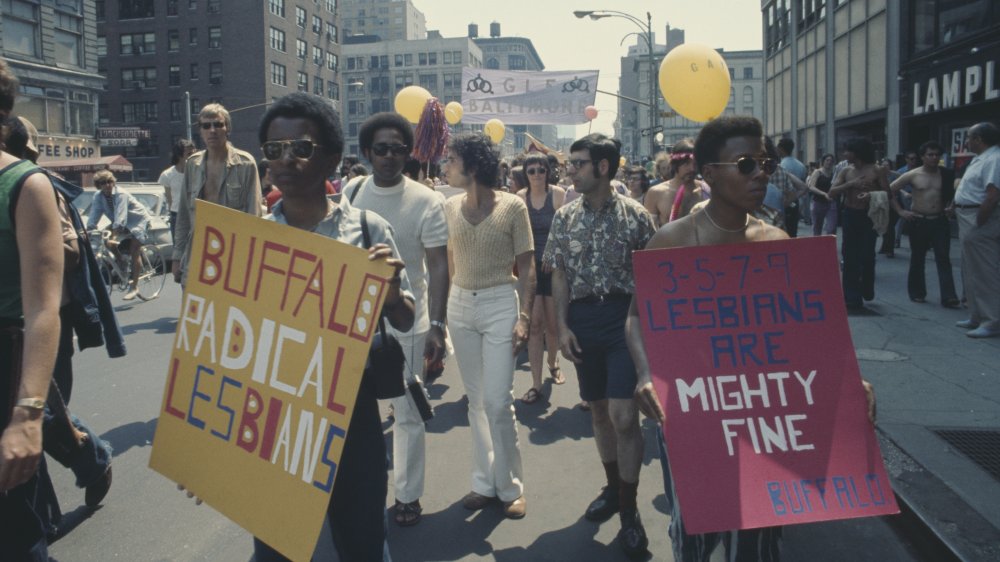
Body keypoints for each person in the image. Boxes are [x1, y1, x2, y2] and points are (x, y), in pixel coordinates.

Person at [627, 115, 876, 562]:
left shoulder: (777, 241)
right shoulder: (672, 242)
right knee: (695, 532)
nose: (761, 173)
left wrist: (846, 382)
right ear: (708, 174)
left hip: (764, 413)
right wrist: (646, 372)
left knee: (758, 536)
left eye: (764, 162)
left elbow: (807, 333)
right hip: (692, 410)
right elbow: (636, 317)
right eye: (746, 164)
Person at [254, 92, 414, 561]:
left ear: (329, 157)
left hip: (351, 408)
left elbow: (403, 317)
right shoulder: (254, 239)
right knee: (277, 547)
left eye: (300, 148)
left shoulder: (367, 229)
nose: (285, 160)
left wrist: (389, 290)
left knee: (362, 539)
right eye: (273, 149)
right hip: (275, 410)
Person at [544, 133, 657, 559]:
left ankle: (630, 512)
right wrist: (562, 325)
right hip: (582, 322)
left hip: (624, 320)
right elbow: (558, 275)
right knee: (597, 410)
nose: (569, 170)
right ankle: (613, 489)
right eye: (570, 163)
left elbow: (652, 276)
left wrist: (646, 330)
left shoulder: (637, 216)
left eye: (577, 163)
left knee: (624, 415)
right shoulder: (565, 217)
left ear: (603, 167)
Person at [344, 112, 450, 527]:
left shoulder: (428, 201)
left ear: (409, 153)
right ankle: (353, 492)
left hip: (407, 320)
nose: (390, 157)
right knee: (351, 412)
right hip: (351, 323)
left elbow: (439, 266)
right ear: (367, 152)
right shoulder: (351, 192)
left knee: (406, 415)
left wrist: (437, 326)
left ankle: (407, 495)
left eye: (399, 149)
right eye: (381, 149)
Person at [443, 132, 535, 520]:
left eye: (451, 159)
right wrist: (446, 308)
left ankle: (510, 486)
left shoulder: (513, 206)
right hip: (461, 306)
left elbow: (528, 266)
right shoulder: (448, 207)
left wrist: (524, 316)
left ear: (472, 166)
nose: (445, 166)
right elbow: (448, 260)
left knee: (498, 401)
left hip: (501, 303)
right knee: (476, 401)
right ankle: (484, 482)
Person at [0, 58, 64, 560]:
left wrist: (28, 416)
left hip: (6, 363)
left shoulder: (26, 185)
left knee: (13, 530)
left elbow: (44, 309)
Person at [172, 103, 261, 285]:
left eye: (218, 124)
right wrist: (177, 256)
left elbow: (254, 216)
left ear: (227, 128)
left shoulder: (245, 164)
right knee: (194, 310)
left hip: (232, 256)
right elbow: (183, 215)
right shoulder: (192, 164)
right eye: (206, 125)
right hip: (197, 254)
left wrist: (250, 262)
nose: (212, 130)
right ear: (201, 131)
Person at [514, 153, 566, 404]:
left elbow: (564, 232)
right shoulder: (519, 198)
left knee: (553, 327)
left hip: (553, 269)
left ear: (548, 172)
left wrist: (553, 256)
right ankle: (535, 384)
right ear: (526, 173)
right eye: (532, 170)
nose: (536, 175)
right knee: (535, 327)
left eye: (541, 170)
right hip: (530, 271)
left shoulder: (557, 195)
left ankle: (553, 362)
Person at [891, 141, 959, 307]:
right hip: (919, 220)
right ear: (923, 157)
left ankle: (949, 296)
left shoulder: (946, 174)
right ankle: (917, 292)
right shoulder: (913, 174)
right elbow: (889, 191)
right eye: (930, 154)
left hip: (940, 220)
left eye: (937, 155)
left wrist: (952, 206)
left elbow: (960, 191)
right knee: (917, 258)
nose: (934, 158)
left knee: (943, 258)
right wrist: (900, 211)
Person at [829, 137, 891, 309]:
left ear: (857, 153)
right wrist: (851, 184)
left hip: (869, 216)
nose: (844, 154)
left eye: (847, 151)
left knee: (867, 255)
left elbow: (888, 193)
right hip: (850, 214)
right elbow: (831, 192)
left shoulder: (877, 170)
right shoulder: (845, 171)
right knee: (849, 256)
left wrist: (871, 195)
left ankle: (866, 288)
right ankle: (851, 297)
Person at [950, 122, 1000, 338]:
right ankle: (976, 315)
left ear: (979, 139)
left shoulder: (994, 159)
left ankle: (992, 320)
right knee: (970, 269)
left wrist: (980, 220)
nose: (967, 141)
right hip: (966, 215)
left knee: (984, 271)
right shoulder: (980, 159)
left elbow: (992, 194)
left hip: (978, 218)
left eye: (969, 137)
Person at [86, 170, 152, 301]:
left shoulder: (121, 194)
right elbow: (95, 213)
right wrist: (89, 228)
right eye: (103, 183)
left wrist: (115, 234)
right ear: (98, 185)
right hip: (120, 221)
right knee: (107, 241)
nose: (107, 185)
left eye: (110, 181)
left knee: (135, 250)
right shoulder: (98, 196)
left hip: (137, 220)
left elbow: (121, 218)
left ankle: (134, 287)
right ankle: (122, 261)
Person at [644, 140, 709, 227]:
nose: (692, 169)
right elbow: (649, 231)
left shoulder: (707, 190)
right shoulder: (656, 193)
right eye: (686, 164)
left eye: (695, 164)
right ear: (675, 164)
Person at [159, 138, 196, 244]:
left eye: (194, 153)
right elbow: (169, 199)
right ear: (179, 155)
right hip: (177, 215)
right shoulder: (167, 175)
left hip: (195, 213)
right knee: (179, 246)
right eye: (189, 154)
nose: (193, 156)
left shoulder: (198, 172)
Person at [777, 137, 808, 233]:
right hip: (796, 201)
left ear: (781, 149)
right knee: (793, 231)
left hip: (784, 201)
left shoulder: (781, 166)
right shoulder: (801, 165)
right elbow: (803, 183)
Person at [808, 153, 838, 235]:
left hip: (831, 202)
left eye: (831, 161)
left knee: (831, 228)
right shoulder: (818, 172)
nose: (829, 162)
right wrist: (824, 194)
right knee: (817, 227)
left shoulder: (834, 173)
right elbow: (811, 187)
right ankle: (818, 246)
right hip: (818, 202)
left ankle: (829, 245)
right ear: (823, 161)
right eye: (827, 160)